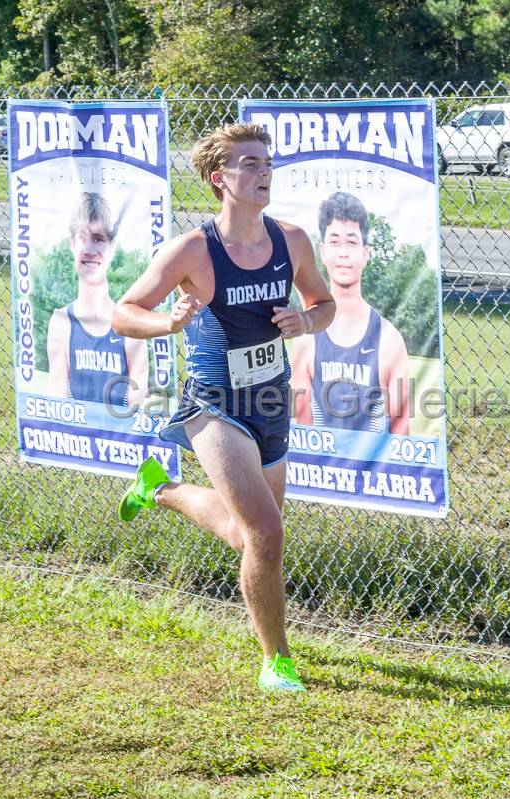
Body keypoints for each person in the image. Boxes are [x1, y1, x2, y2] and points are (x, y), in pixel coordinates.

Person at [110, 123, 335, 692]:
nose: (264, 173)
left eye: (267, 163)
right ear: (221, 179)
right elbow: (123, 311)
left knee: (247, 535)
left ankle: (160, 490)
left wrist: (306, 320)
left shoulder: (292, 240)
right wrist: (169, 322)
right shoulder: (192, 249)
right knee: (267, 534)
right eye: (250, 164)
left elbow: (325, 302)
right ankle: (277, 661)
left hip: (271, 399)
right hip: (214, 406)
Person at [290, 192, 411, 434]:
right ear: (322, 251)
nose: (343, 253)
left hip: (372, 470)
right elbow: (304, 430)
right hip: (322, 470)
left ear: (365, 253)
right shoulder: (307, 339)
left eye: (352, 242)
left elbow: (401, 433)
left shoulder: (389, 339)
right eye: (335, 242)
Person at [46, 193, 147, 408]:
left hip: (120, 439)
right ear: (72, 243)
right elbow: (58, 399)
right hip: (76, 439)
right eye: (83, 238)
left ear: (112, 247)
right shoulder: (62, 321)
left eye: (99, 239)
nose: (90, 250)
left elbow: (137, 408)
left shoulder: (130, 321)